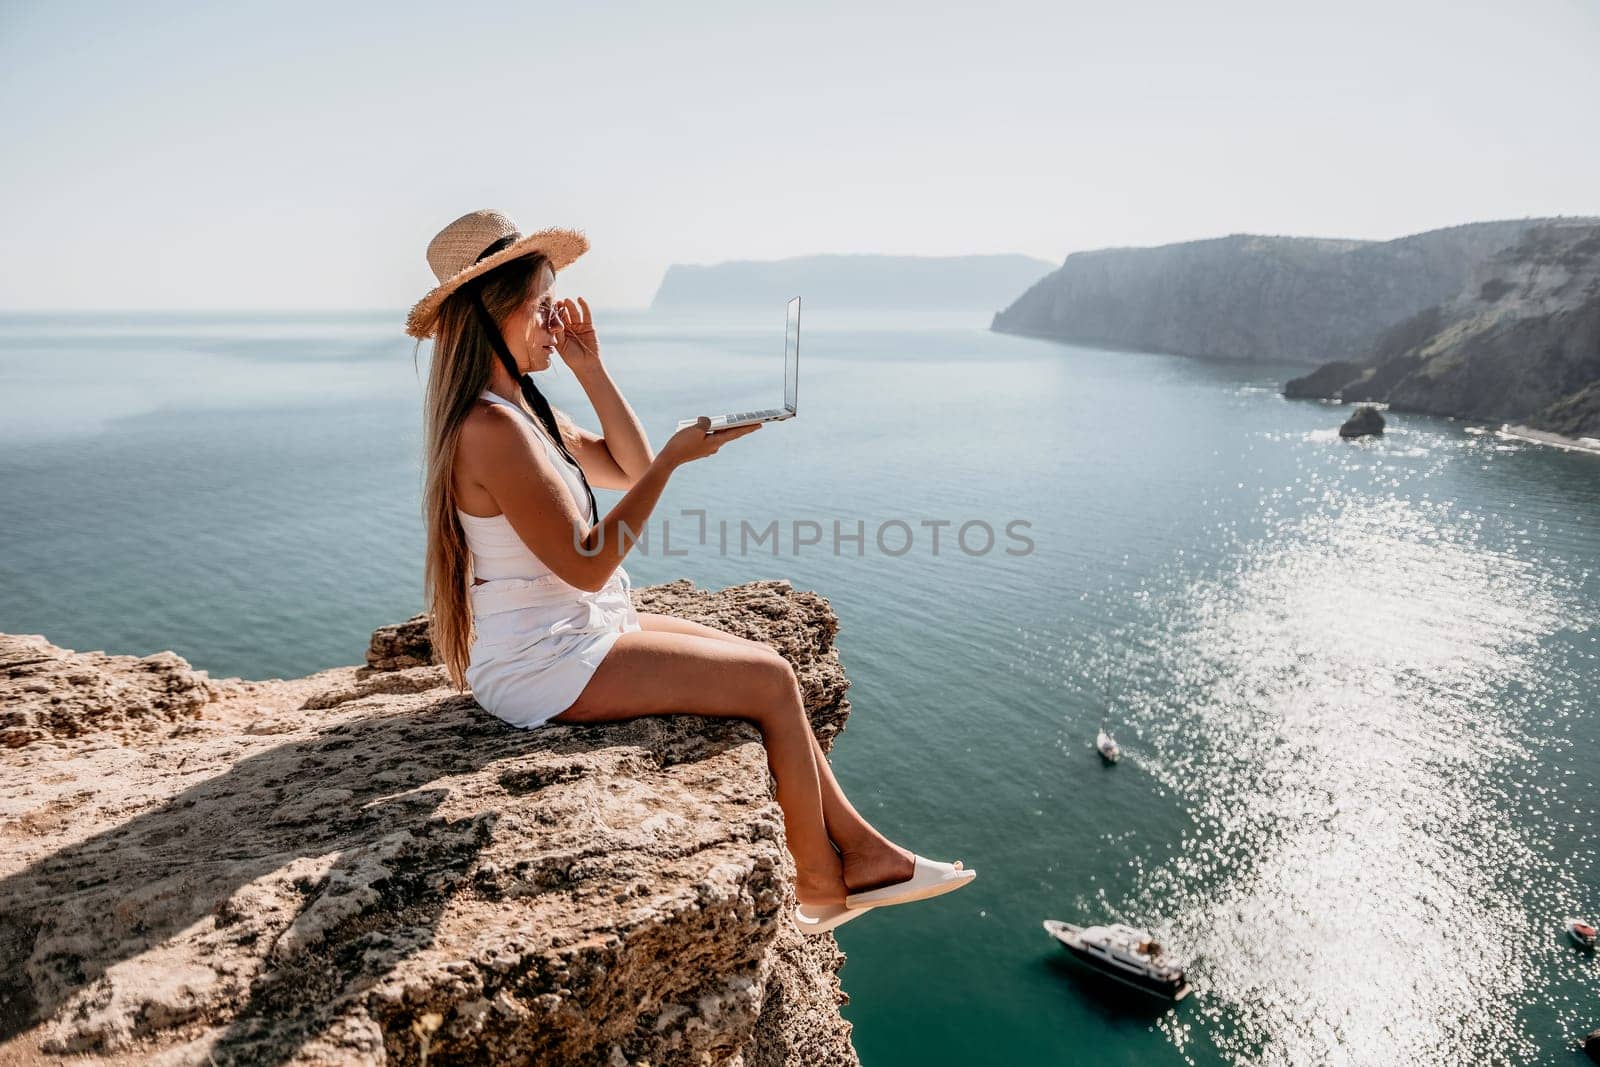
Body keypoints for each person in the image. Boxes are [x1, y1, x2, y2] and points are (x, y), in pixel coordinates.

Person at [407, 209, 975, 934]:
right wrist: (675, 461)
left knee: (771, 664)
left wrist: (591, 367)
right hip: (541, 660)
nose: (555, 320)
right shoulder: (489, 430)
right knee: (766, 684)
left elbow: (628, 467)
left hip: (577, 629)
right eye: (542, 307)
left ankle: (863, 852)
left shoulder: (526, 410)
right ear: (495, 315)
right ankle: (821, 880)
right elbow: (587, 561)